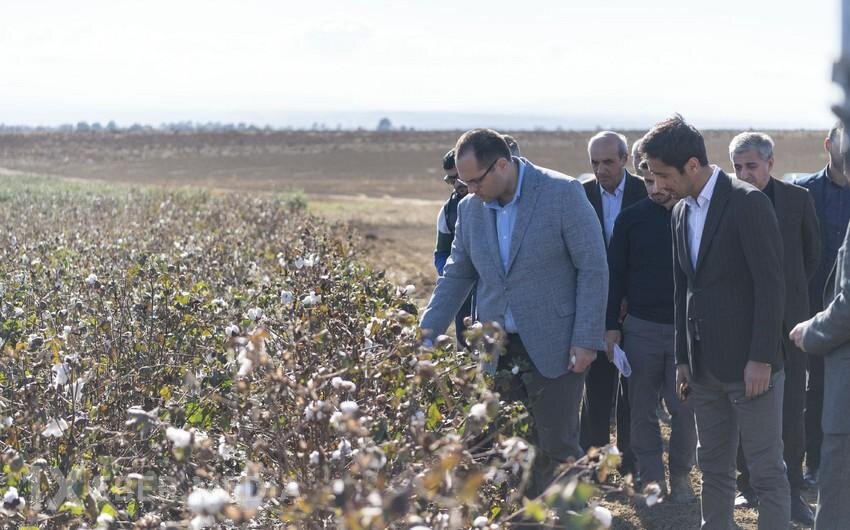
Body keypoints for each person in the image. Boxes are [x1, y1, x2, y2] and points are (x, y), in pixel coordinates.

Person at [419, 128, 608, 498]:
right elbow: (458, 272)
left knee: (557, 447)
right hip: (497, 350)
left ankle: (571, 521)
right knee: (506, 449)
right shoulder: (469, 209)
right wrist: (426, 334)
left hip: (557, 346)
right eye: (462, 181)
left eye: (474, 180)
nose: (468, 189)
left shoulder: (562, 193)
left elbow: (593, 268)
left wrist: (586, 338)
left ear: (502, 165)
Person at [644, 115, 790, 529]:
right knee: (713, 470)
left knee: (766, 473)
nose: (657, 186)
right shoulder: (678, 213)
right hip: (703, 370)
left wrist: (761, 357)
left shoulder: (748, 203)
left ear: (692, 165)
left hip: (751, 369)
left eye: (662, 175)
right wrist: (683, 359)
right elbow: (681, 290)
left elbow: (771, 286)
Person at [728, 132, 820, 525]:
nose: (745, 173)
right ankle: (747, 483)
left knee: (790, 409)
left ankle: (793, 489)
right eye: (738, 167)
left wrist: (789, 298)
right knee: (744, 403)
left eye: (752, 165)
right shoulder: (728, 202)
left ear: (770, 163)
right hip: (742, 322)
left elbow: (811, 255)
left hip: (791, 324)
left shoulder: (798, 200)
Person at [604, 137, 696, 501]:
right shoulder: (630, 220)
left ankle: (683, 476)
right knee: (641, 410)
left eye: (660, 178)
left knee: (684, 408)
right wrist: (611, 326)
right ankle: (651, 477)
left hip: (684, 332)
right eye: (647, 180)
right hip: (639, 329)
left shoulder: (693, 214)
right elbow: (615, 276)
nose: (655, 188)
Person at [790, 122, 850, 530]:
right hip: (815, 305)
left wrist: (811, 330)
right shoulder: (806, 191)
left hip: (830, 326)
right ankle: (809, 462)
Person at [581, 131, 646, 475]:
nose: (600, 169)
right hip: (594, 306)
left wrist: (628, 298)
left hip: (634, 306)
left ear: (624, 159)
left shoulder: (644, 192)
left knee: (632, 388)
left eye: (607, 161)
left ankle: (630, 463)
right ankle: (594, 462)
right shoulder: (581, 195)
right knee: (597, 388)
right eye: (594, 162)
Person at [434, 149, 474, 347]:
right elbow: (441, 253)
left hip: (494, 293)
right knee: (465, 347)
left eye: (460, 176)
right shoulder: (448, 211)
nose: (457, 184)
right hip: (464, 295)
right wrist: (451, 275)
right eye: (451, 180)